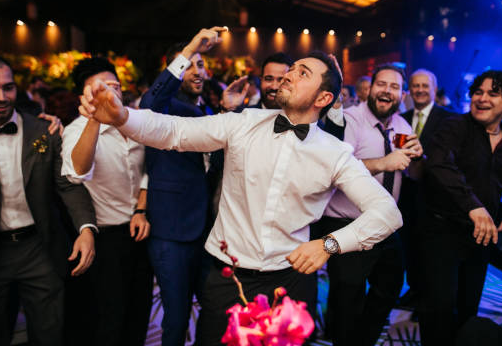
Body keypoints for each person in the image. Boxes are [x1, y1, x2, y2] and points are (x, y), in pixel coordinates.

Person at [79, 27, 403, 346]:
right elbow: (173, 131)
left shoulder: (336, 154)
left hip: (288, 281)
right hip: (226, 279)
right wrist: (123, 117)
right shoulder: (243, 122)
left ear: (324, 98)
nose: (289, 75)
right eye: (291, 69)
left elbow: (387, 213)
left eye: (302, 73)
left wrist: (328, 245)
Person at [0, 54, 96, 346]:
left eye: (8, 87)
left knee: (50, 334)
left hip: (39, 248)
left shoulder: (43, 130)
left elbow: (67, 185)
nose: (2, 96)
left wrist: (86, 228)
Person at [417, 69, 502, 345]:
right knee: (438, 308)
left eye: (493, 93)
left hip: (480, 238)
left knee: (468, 308)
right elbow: (438, 163)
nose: (482, 98)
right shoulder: (455, 126)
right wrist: (474, 206)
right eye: (478, 92)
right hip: (441, 232)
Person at [320, 63, 423, 346]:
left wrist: (417, 159)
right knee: (347, 295)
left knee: (389, 288)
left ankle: (361, 339)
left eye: (394, 87)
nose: (387, 91)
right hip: (346, 223)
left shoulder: (402, 125)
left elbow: (412, 174)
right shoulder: (349, 120)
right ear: (370, 88)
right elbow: (335, 169)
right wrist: (382, 163)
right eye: (382, 84)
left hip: (385, 224)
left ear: (403, 94)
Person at [60, 57, 154, 345]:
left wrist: (141, 207)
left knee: (139, 314)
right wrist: (94, 121)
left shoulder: (135, 120)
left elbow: (151, 168)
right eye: (100, 88)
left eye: (114, 85)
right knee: (109, 318)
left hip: (142, 229)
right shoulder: (77, 129)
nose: (110, 92)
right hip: (107, 238)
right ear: (84, 96)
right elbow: (76, 173)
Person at [137, 41, 216, 346]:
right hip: (171, 230)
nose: (200, 72)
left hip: (208, 229)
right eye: (192, 65)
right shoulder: (162, 107)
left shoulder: (207, 109)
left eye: (202, 65)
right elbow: (150, 101)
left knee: (213, 307)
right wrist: (194, 44)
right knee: (177, 316)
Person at [398, 69, 452, 308]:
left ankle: (429, 297)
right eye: (415, 86)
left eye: (424, 86)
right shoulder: (402, 117)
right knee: (409, 244)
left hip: (435, 195)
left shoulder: (449, 118)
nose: (420, 90)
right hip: (406, 193)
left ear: (433, 88)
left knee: (431, 251)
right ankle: (414, 290)